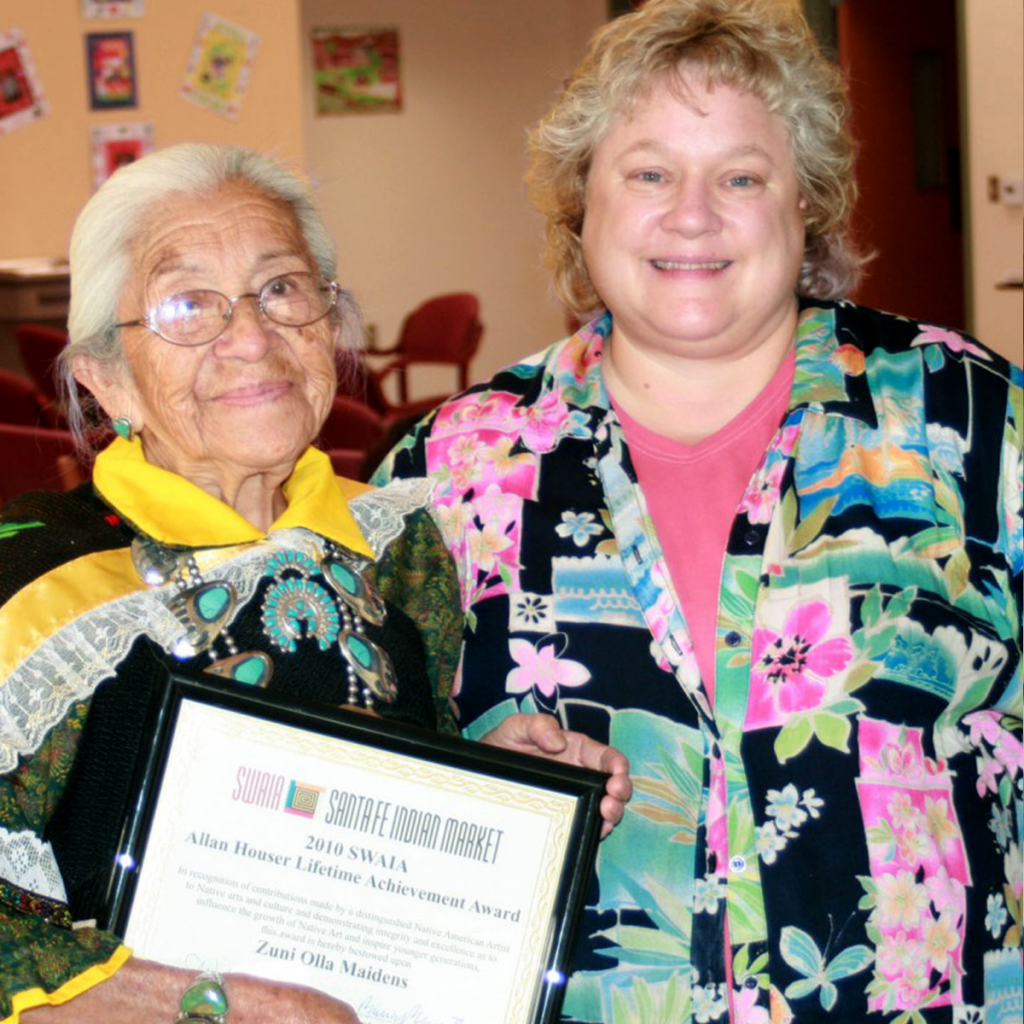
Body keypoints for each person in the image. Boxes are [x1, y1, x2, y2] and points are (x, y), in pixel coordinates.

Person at [372, 1, 1023, 1021]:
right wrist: (468, 771)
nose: (692, 214)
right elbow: (368, 778)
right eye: (648, 172)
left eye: (740, 176)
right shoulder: (453, 468)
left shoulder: (967, 418)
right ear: (579, 200)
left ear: (802, 202)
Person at [0, 143, 630, 1023]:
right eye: (187, 305)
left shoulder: (395, 539)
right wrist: (203, 1004)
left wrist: (499, 793)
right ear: (106, 381)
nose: (252, 338)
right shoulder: (36, 582)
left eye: (282, 289)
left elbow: (389, 778)